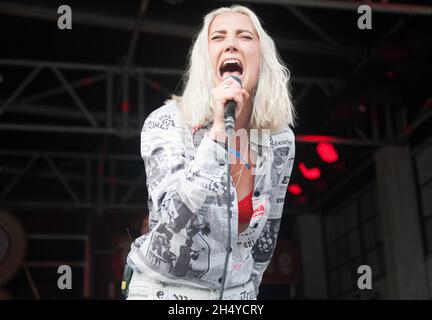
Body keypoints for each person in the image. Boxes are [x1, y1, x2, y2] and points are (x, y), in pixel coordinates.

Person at [125, 5, 296, 300]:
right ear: (205, 61)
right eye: (218, 37)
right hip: (164, 291)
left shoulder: (279, 140)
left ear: (262, 58)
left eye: (244, 36)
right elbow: (170, 220)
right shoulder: (167, 123)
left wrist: (247, 295)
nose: (231, 43)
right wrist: (216, 137)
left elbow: (266, 239)